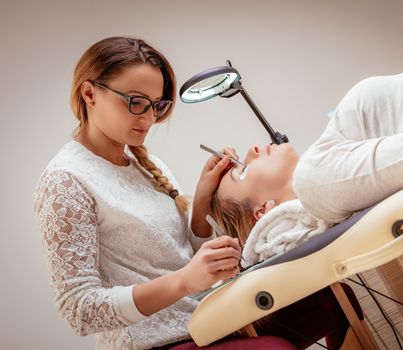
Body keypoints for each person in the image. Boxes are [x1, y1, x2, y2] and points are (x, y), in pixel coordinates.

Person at [33, 36, 360, 350]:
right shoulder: (66, 182)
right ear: (89, 94)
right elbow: (79, 310)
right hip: (157, 343)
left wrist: (202, 200)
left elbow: (180, 254)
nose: (149, 119)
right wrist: (186, 281)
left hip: (209, 322)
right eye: (135, 102)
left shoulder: (143, 162)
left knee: (332, 302)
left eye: (157, 105)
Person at [210, 2, 403, 264]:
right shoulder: (315, 184)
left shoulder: (327, 170)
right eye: (241, 172)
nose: (251, 149)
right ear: (264, 212)